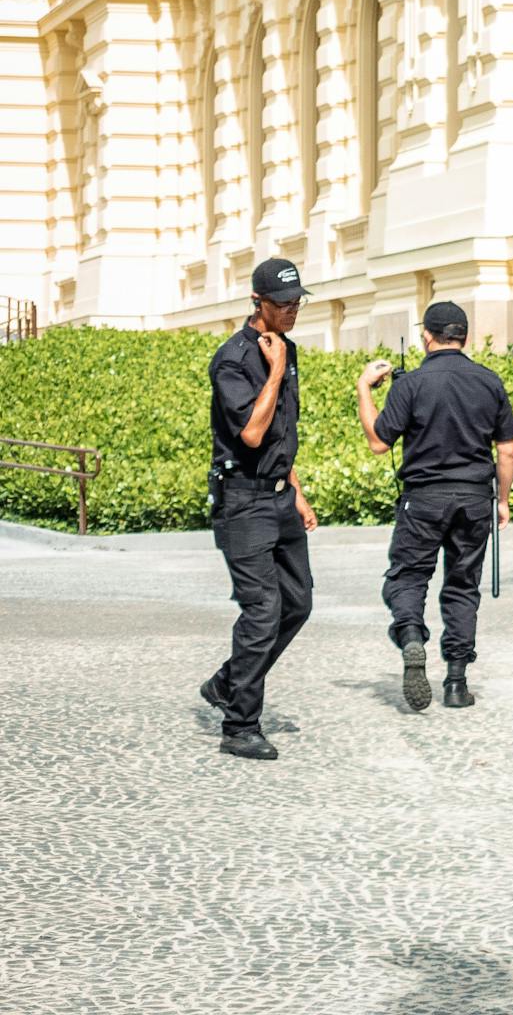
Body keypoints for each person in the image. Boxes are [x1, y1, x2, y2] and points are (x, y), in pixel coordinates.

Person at [355, 301, 513, 712]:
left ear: (427, 336)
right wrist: (503, 500)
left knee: (407, 577)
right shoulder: (489, 381)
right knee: (463, 586)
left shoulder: (409, 385)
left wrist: (364, 388)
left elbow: (378, 442)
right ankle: (457, 683)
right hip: (475, 499)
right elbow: (508, 450)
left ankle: (411, 635)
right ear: (464, 336)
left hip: (423, 499)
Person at [200, 257, 319, 761]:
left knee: (298, 602)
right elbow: (251, 431)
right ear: (258, 303)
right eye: (284, 304)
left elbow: (280, 434)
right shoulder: (232, 359)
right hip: (242, 500)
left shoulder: (289, 349)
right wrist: (271, 372)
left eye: (297, 303)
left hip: (277, 494)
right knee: (262, 610)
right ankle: (239, 725)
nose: (292, 312)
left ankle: (229, 681)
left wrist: (296, 488)